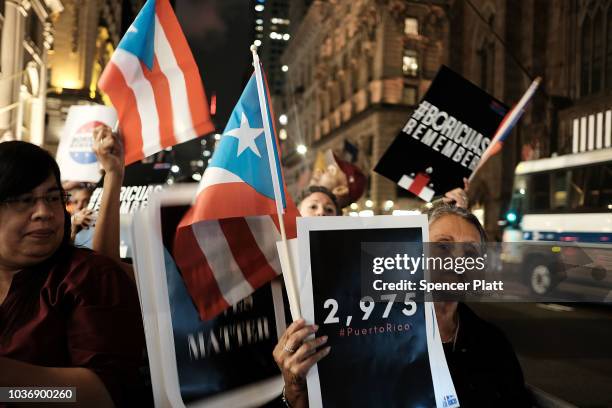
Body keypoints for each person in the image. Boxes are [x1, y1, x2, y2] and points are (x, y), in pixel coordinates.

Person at [273, 201, 531, 407]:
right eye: (442, 247)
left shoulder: (492, 344)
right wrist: (295, 394)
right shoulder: (364, 336)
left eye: (471, 252)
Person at [0, 141, 146, 407]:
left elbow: (106, 395)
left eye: (53, 198)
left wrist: (8, 385)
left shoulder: (88, 278)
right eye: (24, 201)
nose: (44, 213)